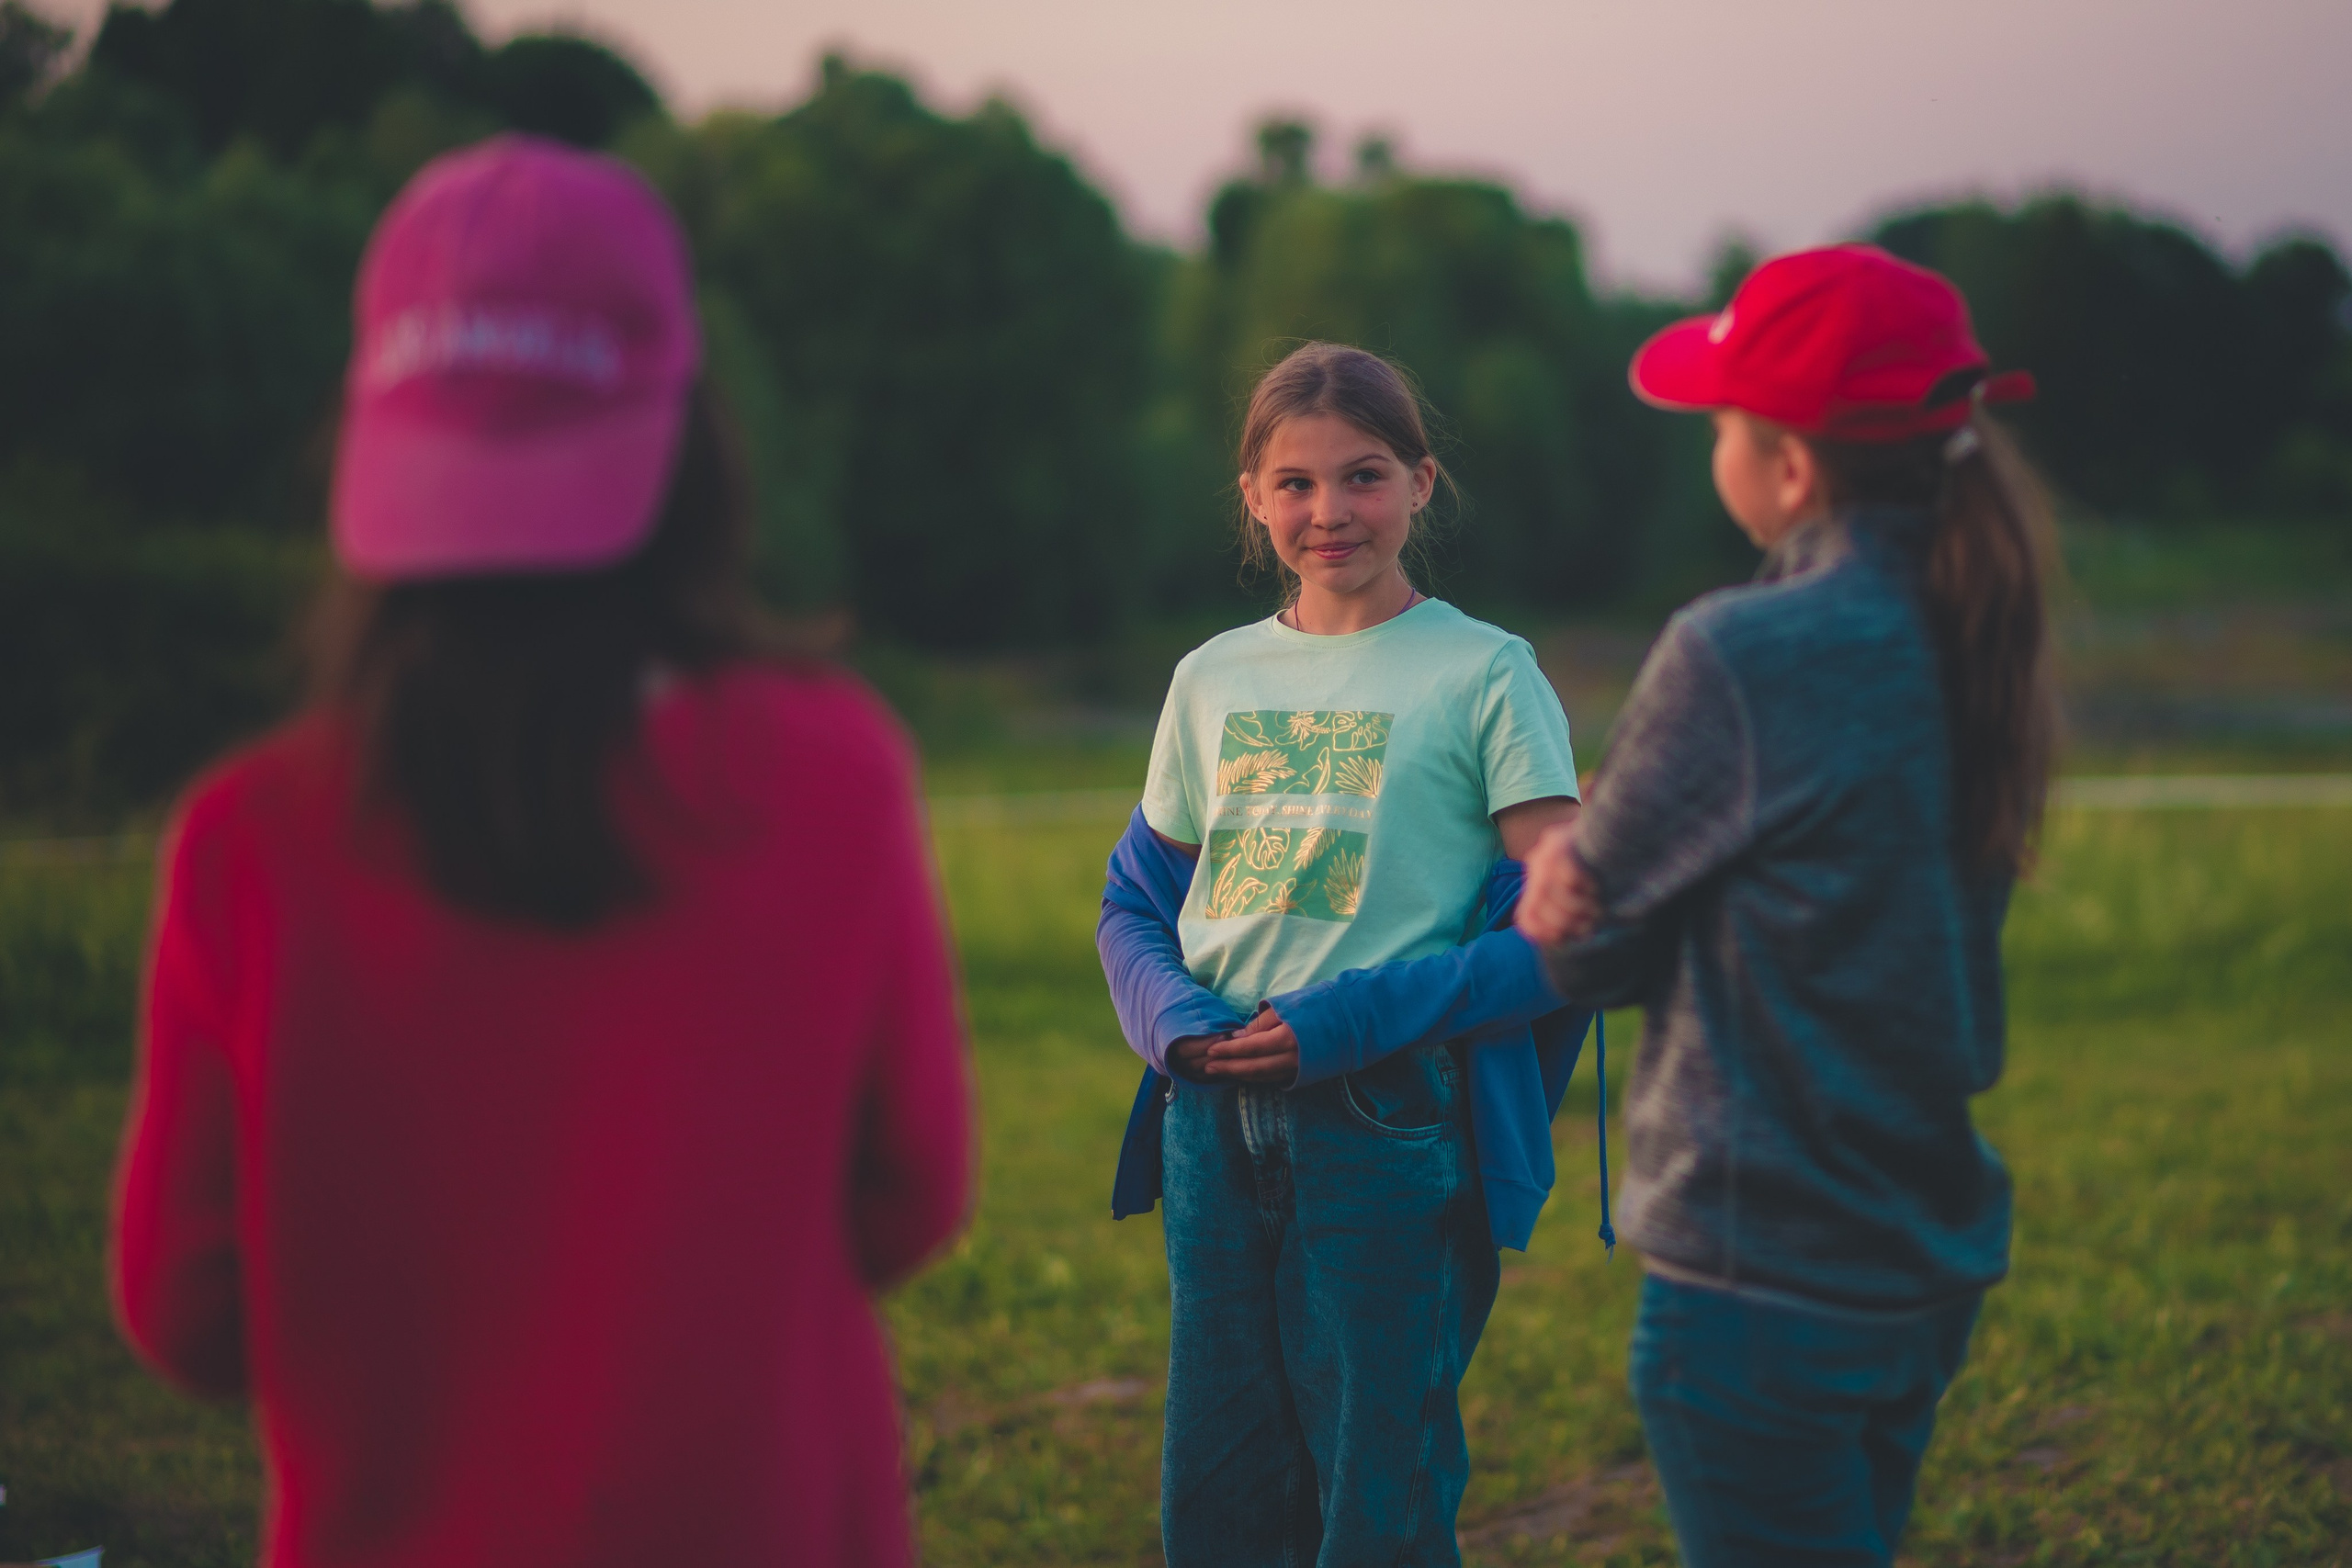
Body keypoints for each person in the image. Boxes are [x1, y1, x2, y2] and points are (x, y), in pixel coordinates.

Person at [109, 136, 972, 1568]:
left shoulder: (252, 839)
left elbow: (189, 1310)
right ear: (692, 441)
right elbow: (907, 1197)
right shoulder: (829, 777)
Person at [1517, 244, 2057, 1568]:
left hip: (1758, 1278)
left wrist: (1556, 877)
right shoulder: (1973, 627)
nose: (1714, 442)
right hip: (1919, 1257)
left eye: (1721, 421)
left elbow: (1592, 953)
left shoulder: (1738, 651)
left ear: (1794, 469)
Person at [1096, 342, 1593, 1567]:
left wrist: (1351, 1020)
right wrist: (1174, 1021)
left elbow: (1568, 931)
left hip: (1385, 1117)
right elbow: (1131, 904)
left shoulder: (1487, 673)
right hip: (1209, 1120)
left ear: (1423, 483)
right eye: (1298, 484)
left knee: (1378, 1484)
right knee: (1219, 1482)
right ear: (1255, 498)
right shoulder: (1212, 678)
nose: (1332, 513)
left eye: (1364, 477)